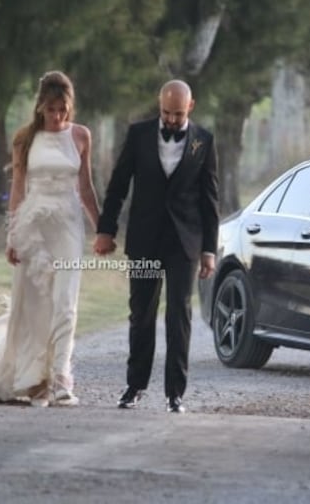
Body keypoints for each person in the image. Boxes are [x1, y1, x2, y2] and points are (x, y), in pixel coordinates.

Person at [0, 70, 101, 407]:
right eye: (51, 109)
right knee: (36, 303)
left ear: (70, 107)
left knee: (66, 300)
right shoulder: (25, 138)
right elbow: (18, 188)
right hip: (32, 227)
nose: (57, 116)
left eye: (62, 109)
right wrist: (12, 236)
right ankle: (35, 377)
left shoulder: (81, 136)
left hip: (67, 225)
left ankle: (62, 376)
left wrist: (104, 229)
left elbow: (85, 188)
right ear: (40, 107)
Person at [94, 79, 219, 413]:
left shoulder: (204, 141)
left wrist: (209, 249)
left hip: (184, 244)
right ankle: (134, 387)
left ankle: (175, 393)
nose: (171, 120)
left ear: (190, 107)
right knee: (141, 314)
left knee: (180, 315)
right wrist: (105, 230)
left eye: (178, 114)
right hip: (145, 240)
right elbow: (118, 186)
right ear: (159, 105)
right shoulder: (138, 135)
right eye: (166, 112)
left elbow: (210, 200)